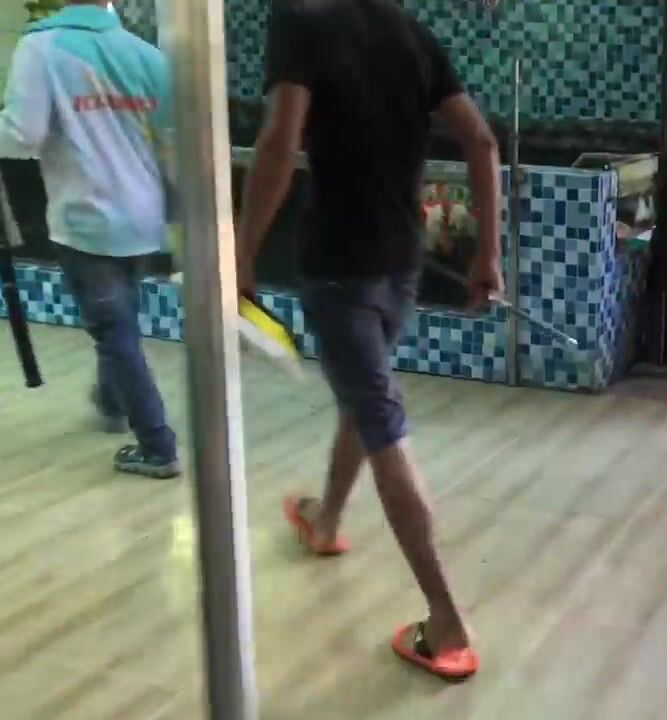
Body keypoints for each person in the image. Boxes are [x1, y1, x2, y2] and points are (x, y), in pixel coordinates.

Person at [237, 0, 502, 681]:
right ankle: (325, 518)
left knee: (380, 418)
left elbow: (279, 139)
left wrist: (241, 250)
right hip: (400, 265)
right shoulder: (411, 34)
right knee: (364, 393)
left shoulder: (301, 21)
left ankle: (445, 622)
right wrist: (486, 254)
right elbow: (481, 142)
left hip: (338, 265)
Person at [0, 1, 179, 478]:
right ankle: (112, 399)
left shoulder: (41, 47)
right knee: (118, 319)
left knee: (114, 332)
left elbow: (21, 134)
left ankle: (157, 446)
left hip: (87, 219)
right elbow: (172, 139)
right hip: (144, 215)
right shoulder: (146, 55)